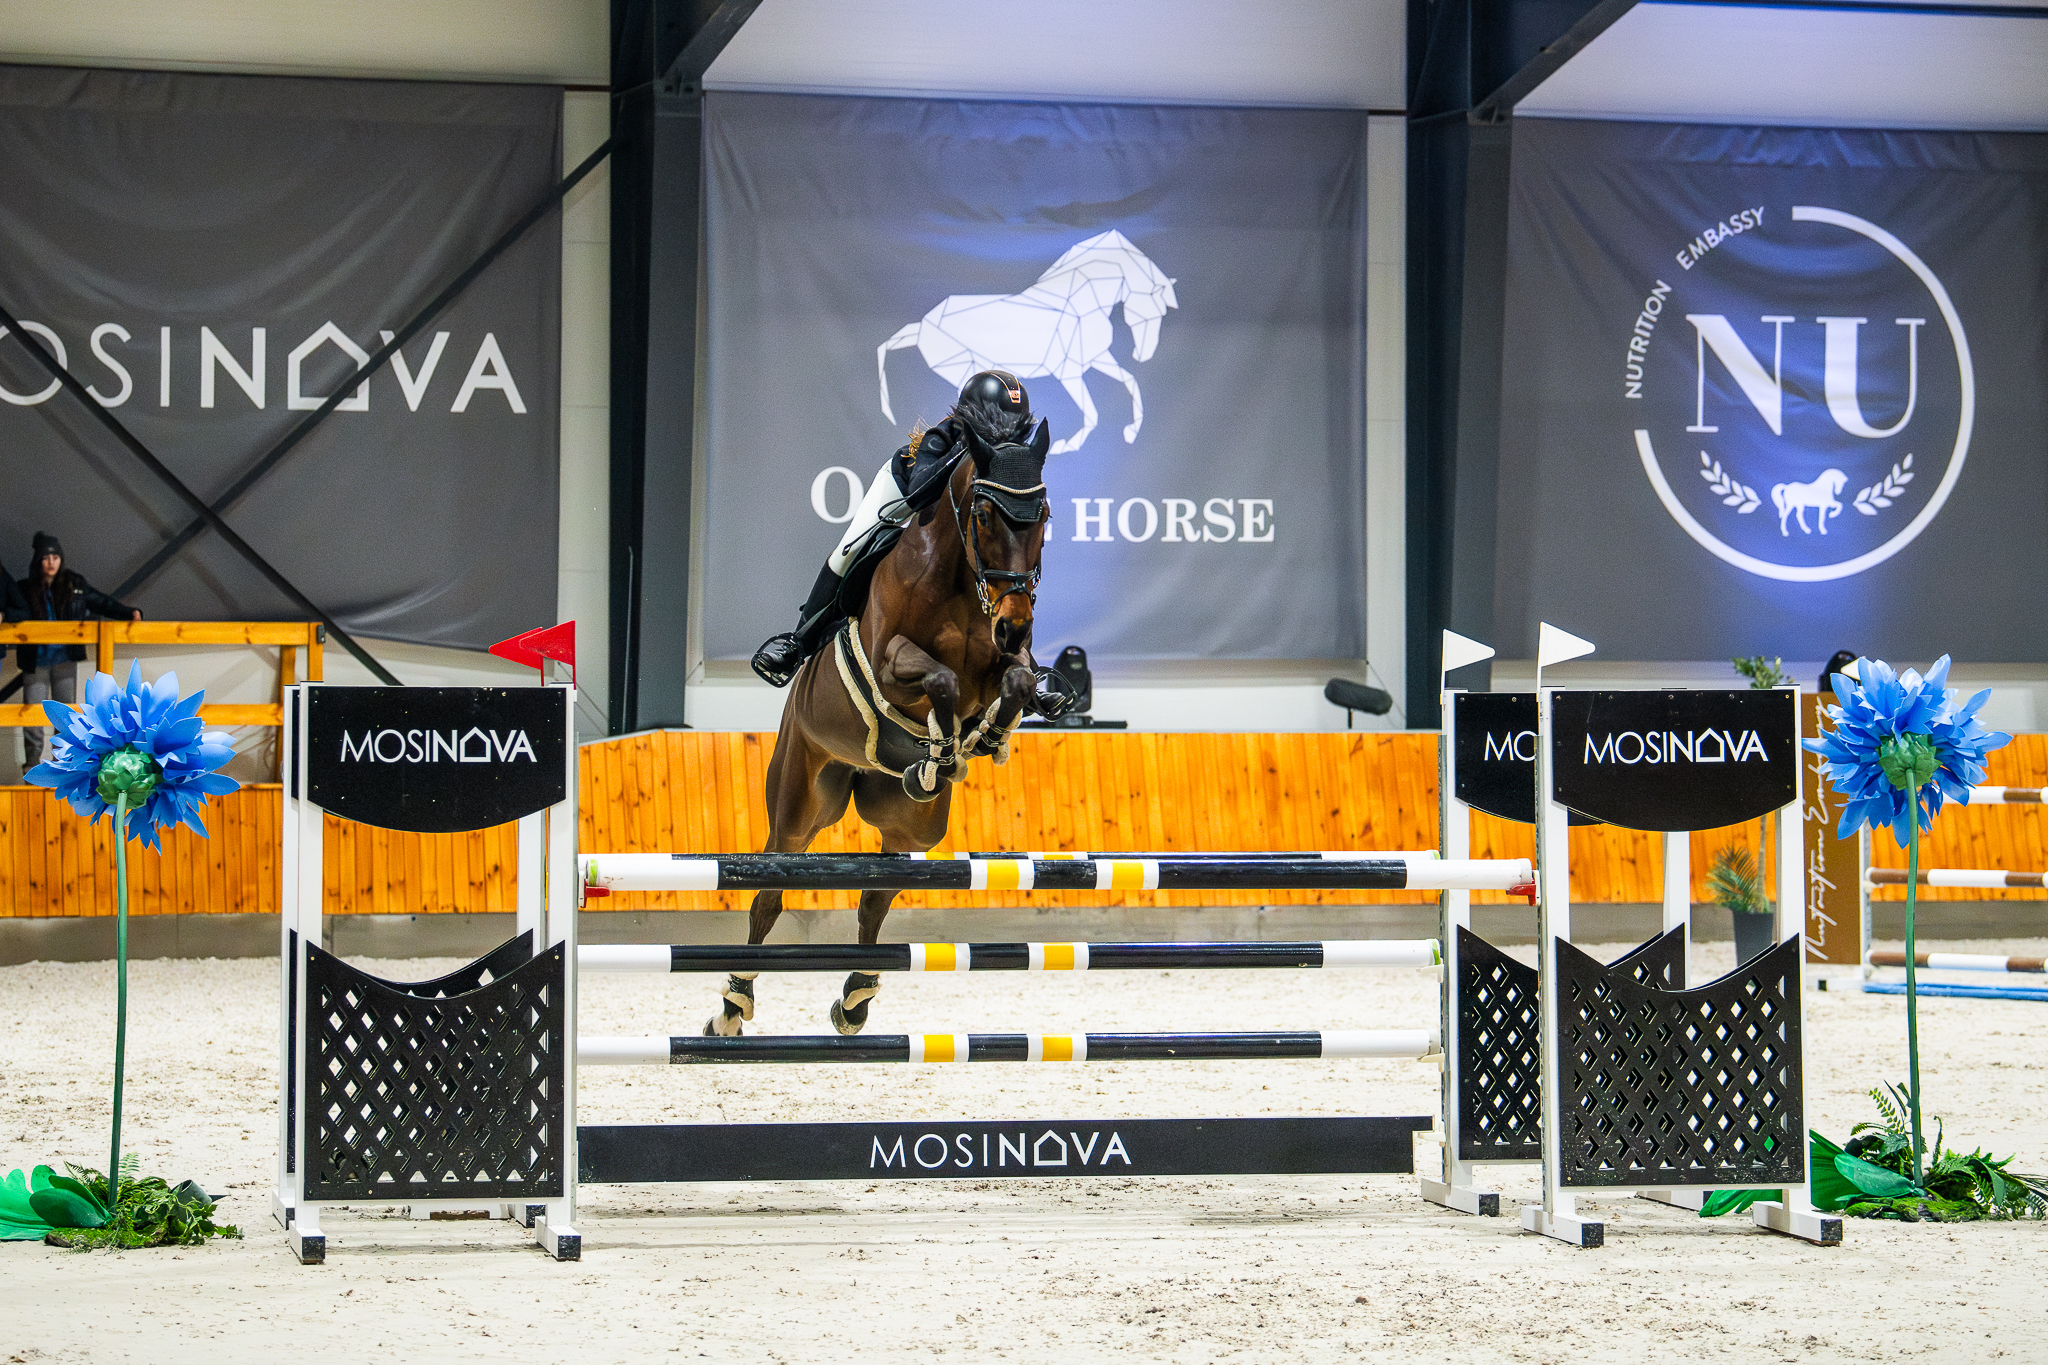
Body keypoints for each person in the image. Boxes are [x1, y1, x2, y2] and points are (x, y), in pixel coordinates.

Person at [751, 370, 1038, 688]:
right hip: (902, 492)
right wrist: (964, 449)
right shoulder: (943, 437)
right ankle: (798, 643)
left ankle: (1029, 665)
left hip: (945, 514)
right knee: (849, 550)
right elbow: (917, 494)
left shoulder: (1007, 456)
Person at [16, 532, 141, 767]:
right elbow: (12, 609)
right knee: (32, 716)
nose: (51, 562)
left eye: (55, 557)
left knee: (65, 717)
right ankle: (32, 767)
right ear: (38, 561)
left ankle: (62, 766)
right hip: (36, 659)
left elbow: (100, 602)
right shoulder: (25, 588)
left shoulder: (74, 585)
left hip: (65, 657)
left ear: (61, 559)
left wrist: (127, 613)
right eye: (45, 557)